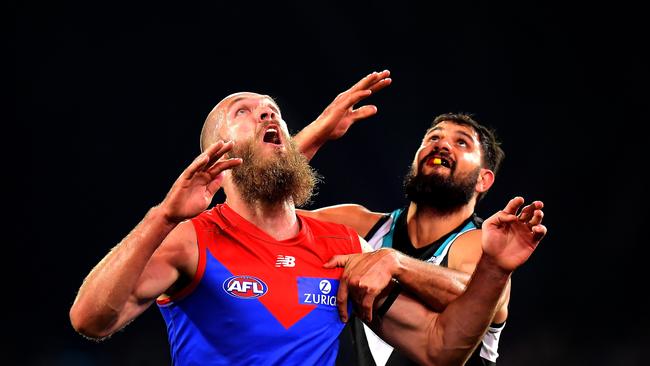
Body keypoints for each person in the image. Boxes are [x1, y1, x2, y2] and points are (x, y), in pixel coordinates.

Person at [69, 85, 546, 365]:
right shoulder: (190, 239)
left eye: (273, 110)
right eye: (244, 112)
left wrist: (494, 270)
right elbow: (90, 319)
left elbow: (441, 349)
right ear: (217, 151)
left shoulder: (341, 243)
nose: (267, 112)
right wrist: (164, 215)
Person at [294, 70, 525, 365]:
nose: (442, 145)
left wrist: (397, 263)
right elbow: (266, 213)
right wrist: (317, 132)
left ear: (483, 180)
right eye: (433, 137)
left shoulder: (484, 245)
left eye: (462, 143)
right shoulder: (362, 224)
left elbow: (477, 295)